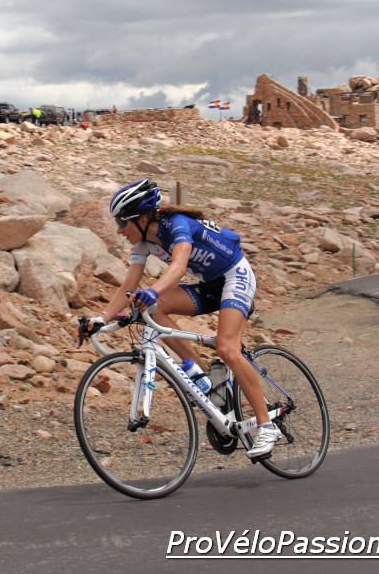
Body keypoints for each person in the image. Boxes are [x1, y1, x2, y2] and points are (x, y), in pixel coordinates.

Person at [87, 179, 281, 459]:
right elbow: (126, 287)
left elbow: (178, 266)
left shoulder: (176, 224)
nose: (118, 230)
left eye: (122, 222)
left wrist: (153, 290)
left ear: (142, 218)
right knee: (151, 310)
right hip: (208, 284)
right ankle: (204, 378)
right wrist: (101, 318)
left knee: (227, 348)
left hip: (234, 276)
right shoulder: (142, 243)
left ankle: (266, 425)